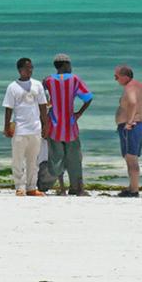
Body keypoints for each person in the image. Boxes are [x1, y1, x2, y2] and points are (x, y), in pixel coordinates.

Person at [42, 53, 93, 195]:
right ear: (65, 65)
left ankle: (62, 188)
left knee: (56, 158)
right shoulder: (74, 79)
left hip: (53, 125)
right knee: (74, 158)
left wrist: (43, 121)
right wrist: (79, 113)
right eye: (69, 64)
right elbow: (88, 98)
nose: (71, 67)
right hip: (70, 125)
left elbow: (42, 102)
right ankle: (77, 188)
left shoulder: (47, 80)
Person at [2, 57, 49, 196]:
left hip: (35, 128)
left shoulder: (37, 85)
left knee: (33, 161)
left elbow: (42, 106)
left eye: (31, 67)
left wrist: (45, 125)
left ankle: (31, 187)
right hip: (20, 129)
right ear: (20, 70)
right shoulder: (13, 87)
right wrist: (6, 126)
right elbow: (8, 108)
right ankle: (20, 187)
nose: (30, 70)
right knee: (18, 160)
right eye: (27, 68)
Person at [113, 65, 142, 197]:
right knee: (131, 159)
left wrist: (129, 122)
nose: (115, 79)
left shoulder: (130, 87)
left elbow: (133, 103)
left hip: (131, 128)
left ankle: (134, 190)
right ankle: (132, 187)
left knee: (131, 159)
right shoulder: (140, 86)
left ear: (125, 77)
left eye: (116, 77)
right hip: (138, 126)